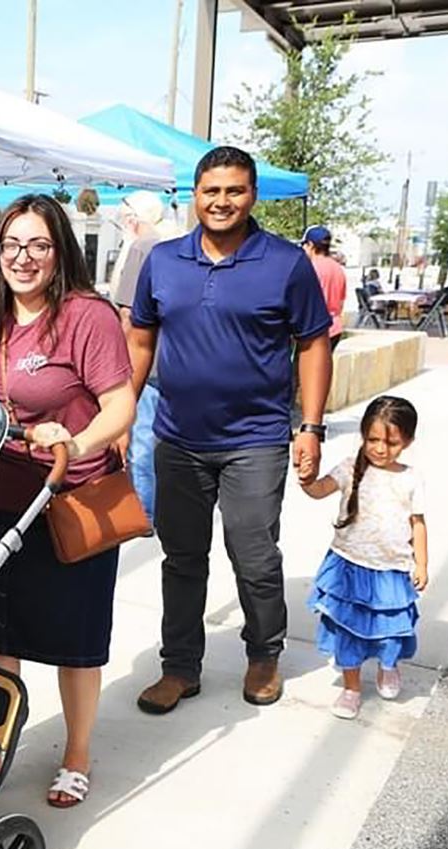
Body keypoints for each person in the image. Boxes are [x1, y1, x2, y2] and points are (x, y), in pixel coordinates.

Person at [128, 146, 333, 715]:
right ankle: (179, 667)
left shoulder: (285, 263)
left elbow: (314, 342)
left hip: (256, 439)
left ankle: (264, 654)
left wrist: (310, 426)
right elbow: (140, 339)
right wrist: (122, 414)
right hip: (177, 438)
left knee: (255, 554)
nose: (222, 201)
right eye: (211, 191)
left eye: (234, 190)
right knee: (182, 558)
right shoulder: (164, 261)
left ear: (252, 196)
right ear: (194, 195)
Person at [0, 193, 136, 808]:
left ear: (59, 249)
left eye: (37, 244)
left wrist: (77, 441)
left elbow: (121, 404)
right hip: (3, 496)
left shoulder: (88, 316)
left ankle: (77, 752)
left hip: (73, 498)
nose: (23, 258)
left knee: (74, 639)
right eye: (11, 245)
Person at [302, 397, 427, 720]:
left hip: (391, 571)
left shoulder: (411, 478)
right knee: (347, 631)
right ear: (362, 435)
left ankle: (388, 667)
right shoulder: (348, 468)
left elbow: (418, 523)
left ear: (407, 441)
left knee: (390, 631)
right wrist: (305, 478)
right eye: (373, 440)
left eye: (391, 442)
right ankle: (352, 688)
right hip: (348, 566)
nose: (381, 449)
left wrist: (422, 563)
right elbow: (319, 490)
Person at [114, 191, 183, 521]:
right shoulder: (175, 244)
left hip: (146, 362)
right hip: (174, 361)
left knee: (140, 442)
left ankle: (143, 515)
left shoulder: (142, 248)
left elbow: (129, 314)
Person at [301, 225, 347, 351]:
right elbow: (341, 302)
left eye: (304, 245)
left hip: (314, 330)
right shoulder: (338, 269)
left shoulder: (309, 268)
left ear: (310, 245)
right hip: (335, 328)